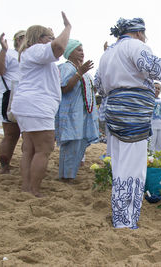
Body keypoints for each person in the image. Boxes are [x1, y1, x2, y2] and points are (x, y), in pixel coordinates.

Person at [97, 17, 161, 228]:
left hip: (115, 110)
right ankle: (125, 221)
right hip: (132, 113)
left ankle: (121, 216)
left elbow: (99, 87)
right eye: (144, 34)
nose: (145, 38)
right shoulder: (135, 45)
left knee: (119, 165)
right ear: (138, 33)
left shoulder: (107, 53)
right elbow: (158, 71)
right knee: (132, 168)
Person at [11, 12, 72, 197]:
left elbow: (54, 49)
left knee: (29, 148)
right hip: (37, 106)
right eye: (49, 37)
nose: (52, 39)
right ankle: (34, 190)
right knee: (43, 149)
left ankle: (26, 187)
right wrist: (67, 27)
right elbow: (59, 47)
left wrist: (50, 37)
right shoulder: (36, 49)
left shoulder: (30, 54)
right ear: (39, 39)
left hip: (27, 105)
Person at [55, 39, 99, 181]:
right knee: (71, 145)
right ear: (69, 52)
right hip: (71, 114)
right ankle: (65, 176)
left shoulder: (84, 71)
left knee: (79, 145)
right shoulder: (67, 67)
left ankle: (69, 175)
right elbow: (64, 88)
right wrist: (79, 73)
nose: (82, 53)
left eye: (82, 50)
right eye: (78, 50)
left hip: (83, 115)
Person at [0, 31, 25, 173]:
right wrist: (4, 50)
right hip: (10, 96)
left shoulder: (30, 55)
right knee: (11, 134)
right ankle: (4, 167)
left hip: (27, 97)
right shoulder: (9, 54)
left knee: (28, 134)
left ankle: (26, 166)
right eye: (26, 36)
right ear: (18, 40)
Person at [150, 82, 161, 152]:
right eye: (155, 88)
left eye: (158, 88)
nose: (156, 90)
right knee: (151, 144)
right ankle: (150, 161)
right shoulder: (148, 99)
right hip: (151, 126)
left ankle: (159, 161)